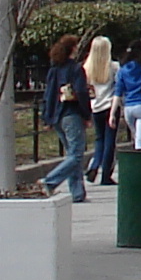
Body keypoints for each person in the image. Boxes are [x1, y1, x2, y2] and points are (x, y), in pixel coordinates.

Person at [39, 34, 91, 201]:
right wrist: (86, 113)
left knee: (71, 154)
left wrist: (47, 117)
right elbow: (81, 92)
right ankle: (50, 181)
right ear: (72, 49)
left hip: (57, 115)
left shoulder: (54, 70)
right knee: (77, 154)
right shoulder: (76, 69)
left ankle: (77, 193)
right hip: (72, 113)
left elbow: (48, 94)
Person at [83, 35, 121, 183]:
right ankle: (106, 174)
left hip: (95, 107)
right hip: (110, 106)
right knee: (110, 141)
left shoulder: (86, 68)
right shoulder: (113, 67)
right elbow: (119, 87)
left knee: (99, 139)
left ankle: (94, 164)